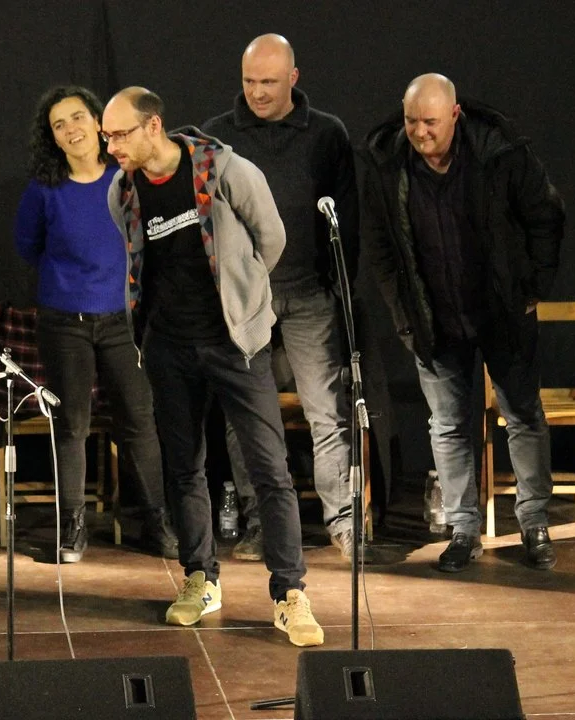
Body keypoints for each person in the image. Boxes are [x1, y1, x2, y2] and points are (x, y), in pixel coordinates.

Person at [102, 88, 323, 646]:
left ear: (154, 125)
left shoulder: (224, 170)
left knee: (269, 468)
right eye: (107, 137)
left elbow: (271, 240)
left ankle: (290, 593)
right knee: (184, 468)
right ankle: (200, 577)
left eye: (120, 134)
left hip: (234, 343)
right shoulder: (122, 191)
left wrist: (242, 299)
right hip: (168, 346)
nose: (112, 148)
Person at [360, 74, 565, 572]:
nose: (419, 132)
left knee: (523, 415)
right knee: (448, 426)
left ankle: (534, 523)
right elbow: (382, 248)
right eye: (411, 121)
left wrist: (532, 289)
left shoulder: (499, 154)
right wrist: (404, 314)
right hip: (434, 318)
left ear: (455, 115)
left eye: (430, 122)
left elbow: (546, 215)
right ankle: (463, 528)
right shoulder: (389, 165)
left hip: (500, 312)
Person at [203, 34, 361, 562]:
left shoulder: (327, 133)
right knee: (247, 416)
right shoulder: (218, 136)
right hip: (247, 299)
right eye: (249, 81)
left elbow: (347, 218)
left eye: (268, 82)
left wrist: (339, 286)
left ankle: (343, 522)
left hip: (308, 293)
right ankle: (261, 524)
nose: (257, 92)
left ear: (293, 78)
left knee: (326, 412)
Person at [14, 85, 178, 563]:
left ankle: (157, 522)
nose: (71, 129)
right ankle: (73, 527)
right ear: (52, 138)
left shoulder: (127, 178)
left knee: (139, 420)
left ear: (98, 123)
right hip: (64, 322)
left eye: (78, 117)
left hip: (123, 321)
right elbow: (28, 246)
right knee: (71, 424)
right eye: (59, 124)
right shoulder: (44, 190)